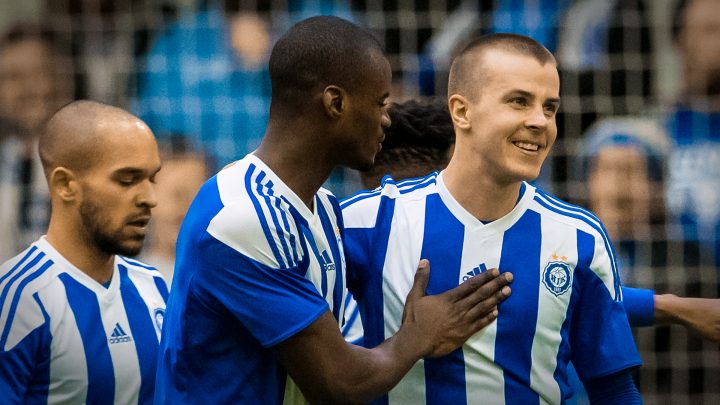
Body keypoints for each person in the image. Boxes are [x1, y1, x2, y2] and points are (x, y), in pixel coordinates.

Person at [155, 16, 512, 405]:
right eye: (379, 103)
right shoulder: (243, 216)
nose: (386, 119)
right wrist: (420, 335)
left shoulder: (323, 208)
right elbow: (338, 383)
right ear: (335, 102)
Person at [342, 34, 643, 404]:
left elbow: (614, 389)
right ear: (462, 111)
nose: (540, 122)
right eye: (519, 102)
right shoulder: (366, 223)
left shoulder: (580, 237)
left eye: (550, 108)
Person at [0, 100, 168, 404]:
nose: (149, 198)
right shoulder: (18, 298)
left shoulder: (154, 287)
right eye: (127, 180)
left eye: (152, 179)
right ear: (65, 185)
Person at [0, 23, 75, 261]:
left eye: (40, 72)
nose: (28, 88)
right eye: (13, 77)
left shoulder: (96, 163)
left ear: (65, 78)